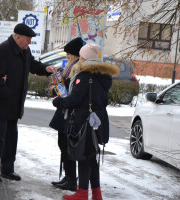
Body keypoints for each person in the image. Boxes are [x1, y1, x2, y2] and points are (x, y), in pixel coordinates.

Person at [0, 23, 57, 182]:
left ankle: (7, 169)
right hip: (1, 104)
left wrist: (46, 69)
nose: (29, 43)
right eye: (27, 40)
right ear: (17, 37)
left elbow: (32, 65)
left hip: (15, 105)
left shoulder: (25, 51)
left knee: (11, 138)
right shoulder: (2, 51)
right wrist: (7, 94)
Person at [52, 43, 119, 200]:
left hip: (85, 121)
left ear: (84, 57)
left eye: (81, 55)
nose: (79, 58)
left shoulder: (84, 75)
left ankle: (82, 193)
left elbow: (73, 100)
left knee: (84, 156)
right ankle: (96, 193)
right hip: (99, 120)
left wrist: (58, 101)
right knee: (91, 157)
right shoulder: (103, 75)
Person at [48, 37, 83, 191]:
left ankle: (70, 179)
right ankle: (68, 176)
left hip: (68, 113)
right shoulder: (69, 68)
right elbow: (63, 89)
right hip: (64, 112)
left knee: (67, 146)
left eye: (69, 54)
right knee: (63, 145)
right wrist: (57, 80)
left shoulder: (76, 69)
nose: (67, 56)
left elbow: (65, 93)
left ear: (75, 54)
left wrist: (56, 89)